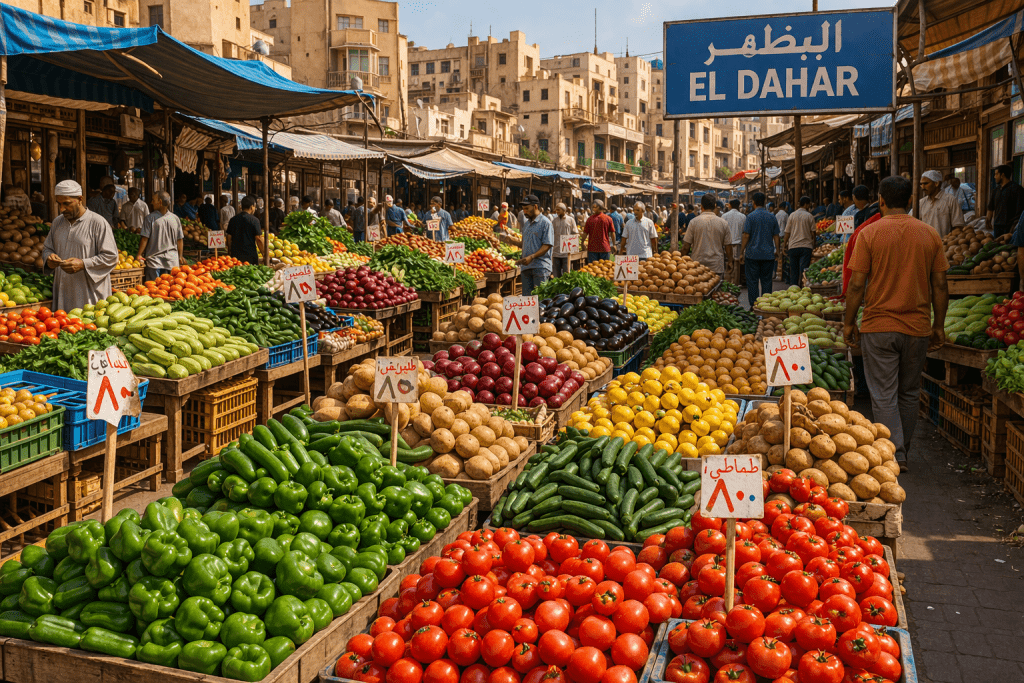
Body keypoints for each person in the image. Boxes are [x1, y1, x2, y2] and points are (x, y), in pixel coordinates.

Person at [845, 175, 949, 470]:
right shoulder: (929, 234)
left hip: (878, 326)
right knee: (909, 392)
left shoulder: (870, 234)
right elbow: (940, 285)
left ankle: (895, 453)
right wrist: (938, 325)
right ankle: (902, 450)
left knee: (884, 394)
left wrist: (849, 322)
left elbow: (856, 285)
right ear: (911, 200)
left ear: (880, 200)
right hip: (917, 327)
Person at [42, 180, 118, 312]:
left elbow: (111, 257)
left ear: (79, 199)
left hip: (90, 296)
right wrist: (49, 258)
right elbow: (47, 248)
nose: (61, 209)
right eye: (59, 204)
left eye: (66, 204)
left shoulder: (98, 223)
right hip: (63, 292)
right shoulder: (57, 223)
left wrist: (83, 264)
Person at [740, 192, 780, 307]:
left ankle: (754, 306)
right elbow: (776, 235)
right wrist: (777, 250)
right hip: (768, 255)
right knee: (766, 282)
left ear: (753, 203)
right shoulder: (772, 217)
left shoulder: (750, 217)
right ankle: (765, 306)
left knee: (752, 282)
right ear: (765, 202)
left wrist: (742, 251)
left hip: (752, 255)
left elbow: (746, 235)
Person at [681, 193, 731, 282]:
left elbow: (686, 247)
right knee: (716, 293)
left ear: (702, 206)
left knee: (699, 293)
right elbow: (728, 246)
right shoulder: (723, 223)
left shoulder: (694, 222)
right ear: (715, 206)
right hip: (716, 266)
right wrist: (730, 261)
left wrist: (681, 261)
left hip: (697, 266)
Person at [137, 191, 183, 282]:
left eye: (154, 200)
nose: (151, 203)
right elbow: (180, 240)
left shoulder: (150, 218)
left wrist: (139, 254)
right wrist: (180, 256)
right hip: (172, 262)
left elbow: (144, 239)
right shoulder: (175, 218)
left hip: (154, 262)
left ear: (160, 202)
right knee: (169, 291)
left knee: (153, 291)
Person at [517, 195, 553, 295]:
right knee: (527, 302)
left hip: (540, 268)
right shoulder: (527, 224)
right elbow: (524, 243)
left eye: (527, 209)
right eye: (523, 209)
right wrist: (510, 240)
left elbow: (547, 245)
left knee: (540, 301)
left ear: (535, 207)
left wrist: (532, 257)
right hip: (526, 268)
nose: (524, 212)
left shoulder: (546, 223)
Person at [918, 170, 965, 238]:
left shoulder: (950, 200)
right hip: (925, 244)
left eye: (925, 183)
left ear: (936, 184)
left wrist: (948, 240)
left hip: (943, 245)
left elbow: (958, 226)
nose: (922, 187)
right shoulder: (921, 202)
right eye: (921, 184)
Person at [785, 196, 816, 286]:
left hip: (793, 246)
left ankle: (794, 289)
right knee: (803, 271)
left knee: (794, 271)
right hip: (806, 247)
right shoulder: (809, 216)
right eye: (809, 204)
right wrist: (814, 244)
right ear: (806, 204)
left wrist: (785, 245)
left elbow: (787, 232)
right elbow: (813, 232)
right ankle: (803, 289)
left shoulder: (792, 215)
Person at [986, 164, 1024, 237]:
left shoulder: (1017, 189)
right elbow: (990, 207)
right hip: (997, 225)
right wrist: (988, 220)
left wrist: (1014, 227)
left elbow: (1020, 211)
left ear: (1002, 175)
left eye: (996, 174)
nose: (994, 177)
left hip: (1010, 226)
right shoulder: (996, 190)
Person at [226, 196, 266, 265]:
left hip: (236, 256)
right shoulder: (254, 220)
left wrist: (230, 251)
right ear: (251, 207)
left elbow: (229, 237)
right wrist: (264, 254)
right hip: (250, 255)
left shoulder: (233, 219)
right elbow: (258, 239)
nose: (255, 209)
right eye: (254, 207)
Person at [721, 198, 746, 284]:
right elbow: (744, 233)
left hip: (727, 244)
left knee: (727, 262)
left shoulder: (724, 216)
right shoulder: (743, 216)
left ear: (730, 205)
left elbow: (722, 232)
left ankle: (727, 284)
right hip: (738, 244)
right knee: (736, 265)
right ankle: (735, 284)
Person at [551, 203, 578, 278]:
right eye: (556, 210)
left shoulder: (570, 220)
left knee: (566, 274)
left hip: (566, 251)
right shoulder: (554, 221)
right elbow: (551, 234)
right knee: (556, 274)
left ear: (564, 210)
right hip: (556, 251)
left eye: (558, 210)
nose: (557, 211)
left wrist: (571, 248)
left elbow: (575, 233)